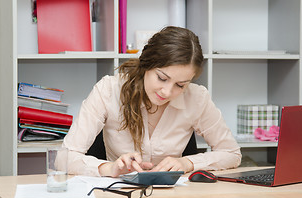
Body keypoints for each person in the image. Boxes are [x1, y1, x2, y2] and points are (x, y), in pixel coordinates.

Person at [62, 26, 242, 177]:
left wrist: (187, 163)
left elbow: (232, 153)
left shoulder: (197, 98)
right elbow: (64, 158)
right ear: (146, 64)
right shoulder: (109, 90)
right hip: (118, 196)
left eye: (180, 85)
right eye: (162, 78)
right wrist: (110, 168)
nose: (167, 92)